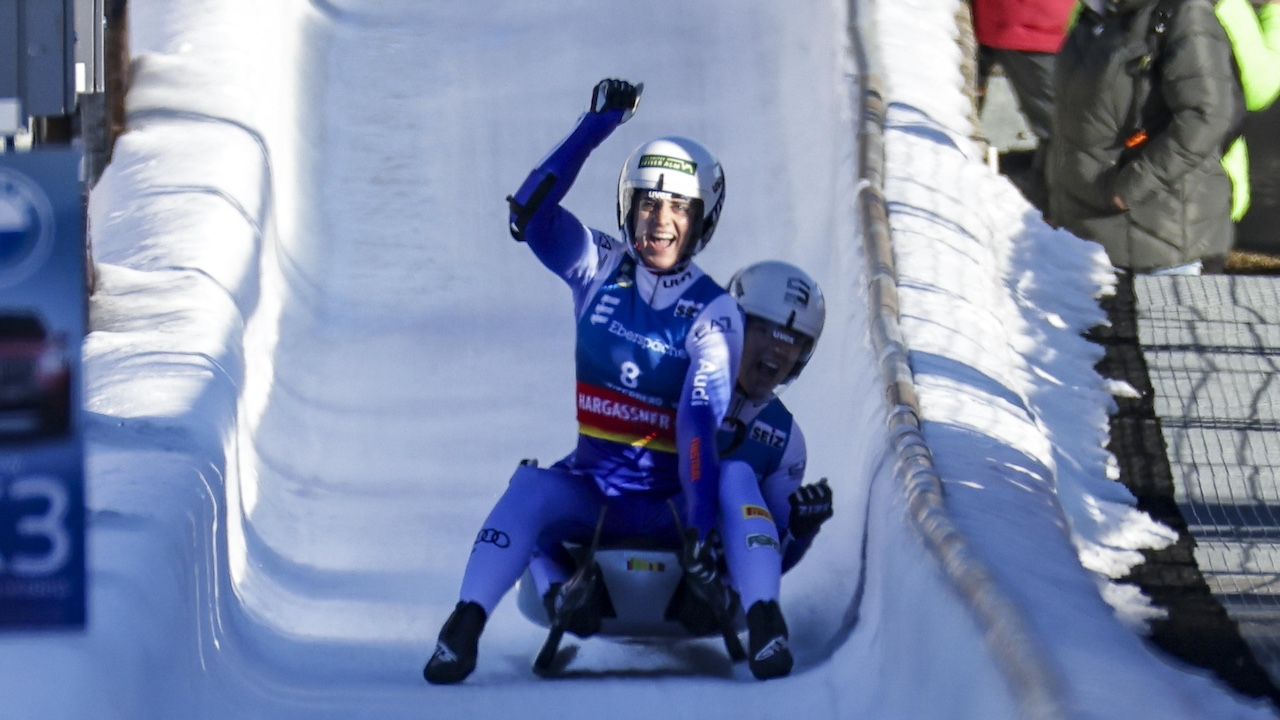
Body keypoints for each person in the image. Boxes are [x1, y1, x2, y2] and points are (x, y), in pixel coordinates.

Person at [423, 78, 754, 684]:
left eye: (678, 207)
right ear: (627, 209)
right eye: (649, 204)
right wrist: (594, 127)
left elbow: (699, 422)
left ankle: (714, 587)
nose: (659, 221)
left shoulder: (715, 311)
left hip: (674, 507)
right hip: (594, 490)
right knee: (529, 485)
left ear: (702, 218)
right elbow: (530, 213)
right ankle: (463, 627)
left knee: (739, 480)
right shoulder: (599, 266)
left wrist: (702, 529)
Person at [522, 260, 836, 680]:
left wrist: (801, 528)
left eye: (793, 341)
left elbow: (773, 550)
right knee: (536, 490)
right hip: (615, 531)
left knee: (735, 476)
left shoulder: (784, 439)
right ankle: (565, 593)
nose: (777, 352)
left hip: (699, 570)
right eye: (764, 331)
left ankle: (754, 616)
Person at [1048, 0, 1242, 274]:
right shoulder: (1094, 16)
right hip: (1087, 236)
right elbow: (1073, 117)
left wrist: (1133, 187)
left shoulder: (1185, 15)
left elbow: (1206, 116)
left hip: (1163, 239)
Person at [969, 0, 1077, 212]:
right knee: (1067, 133)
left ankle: (1038, 206)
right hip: (1032, 25)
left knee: (1066, 133)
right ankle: (1039, 210)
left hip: (1049, 26)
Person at [1216, 0, 1280, 223]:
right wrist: (1275, 11)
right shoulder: (1225, 5)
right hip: (1199, 192)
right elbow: (1259, 87)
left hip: (1117, 175)